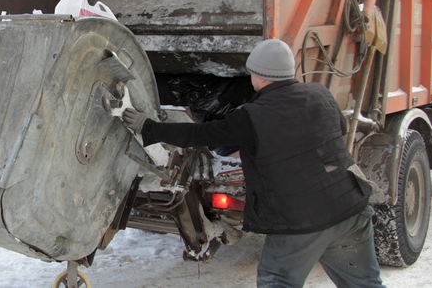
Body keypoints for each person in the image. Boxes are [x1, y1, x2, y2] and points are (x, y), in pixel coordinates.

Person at [122, 39, 384, 287]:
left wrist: (150, 128)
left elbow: (199, 135)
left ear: (258, 75)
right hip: (352, 209)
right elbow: (336, 128)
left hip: (300, 222)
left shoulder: (251, 117)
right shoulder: (320, 93)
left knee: (276, 280)